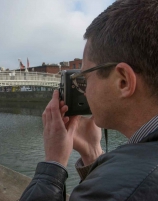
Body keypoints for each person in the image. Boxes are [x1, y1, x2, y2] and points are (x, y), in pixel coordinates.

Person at [20, 0, 158, 200]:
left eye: (84, 77)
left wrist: (53, 164)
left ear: (123, 81)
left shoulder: (116, 188)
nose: (83, 90)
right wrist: (93, 153)